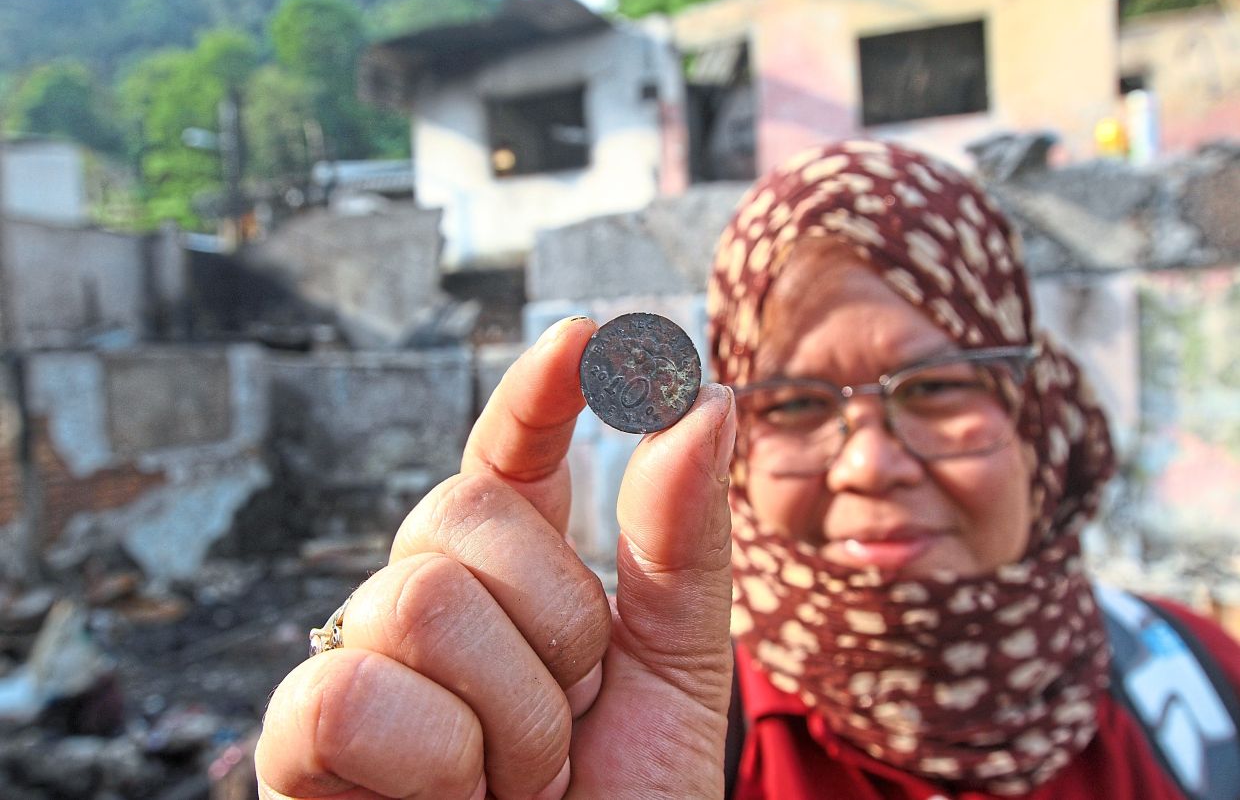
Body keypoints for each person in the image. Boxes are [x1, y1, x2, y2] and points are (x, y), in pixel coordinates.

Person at [255, 140, 1240, 800]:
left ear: (1034, 411)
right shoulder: (643, 738)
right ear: (734, 439)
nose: (869, 461)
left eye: (938, 387)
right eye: (799, 404)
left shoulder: (1201, 692)